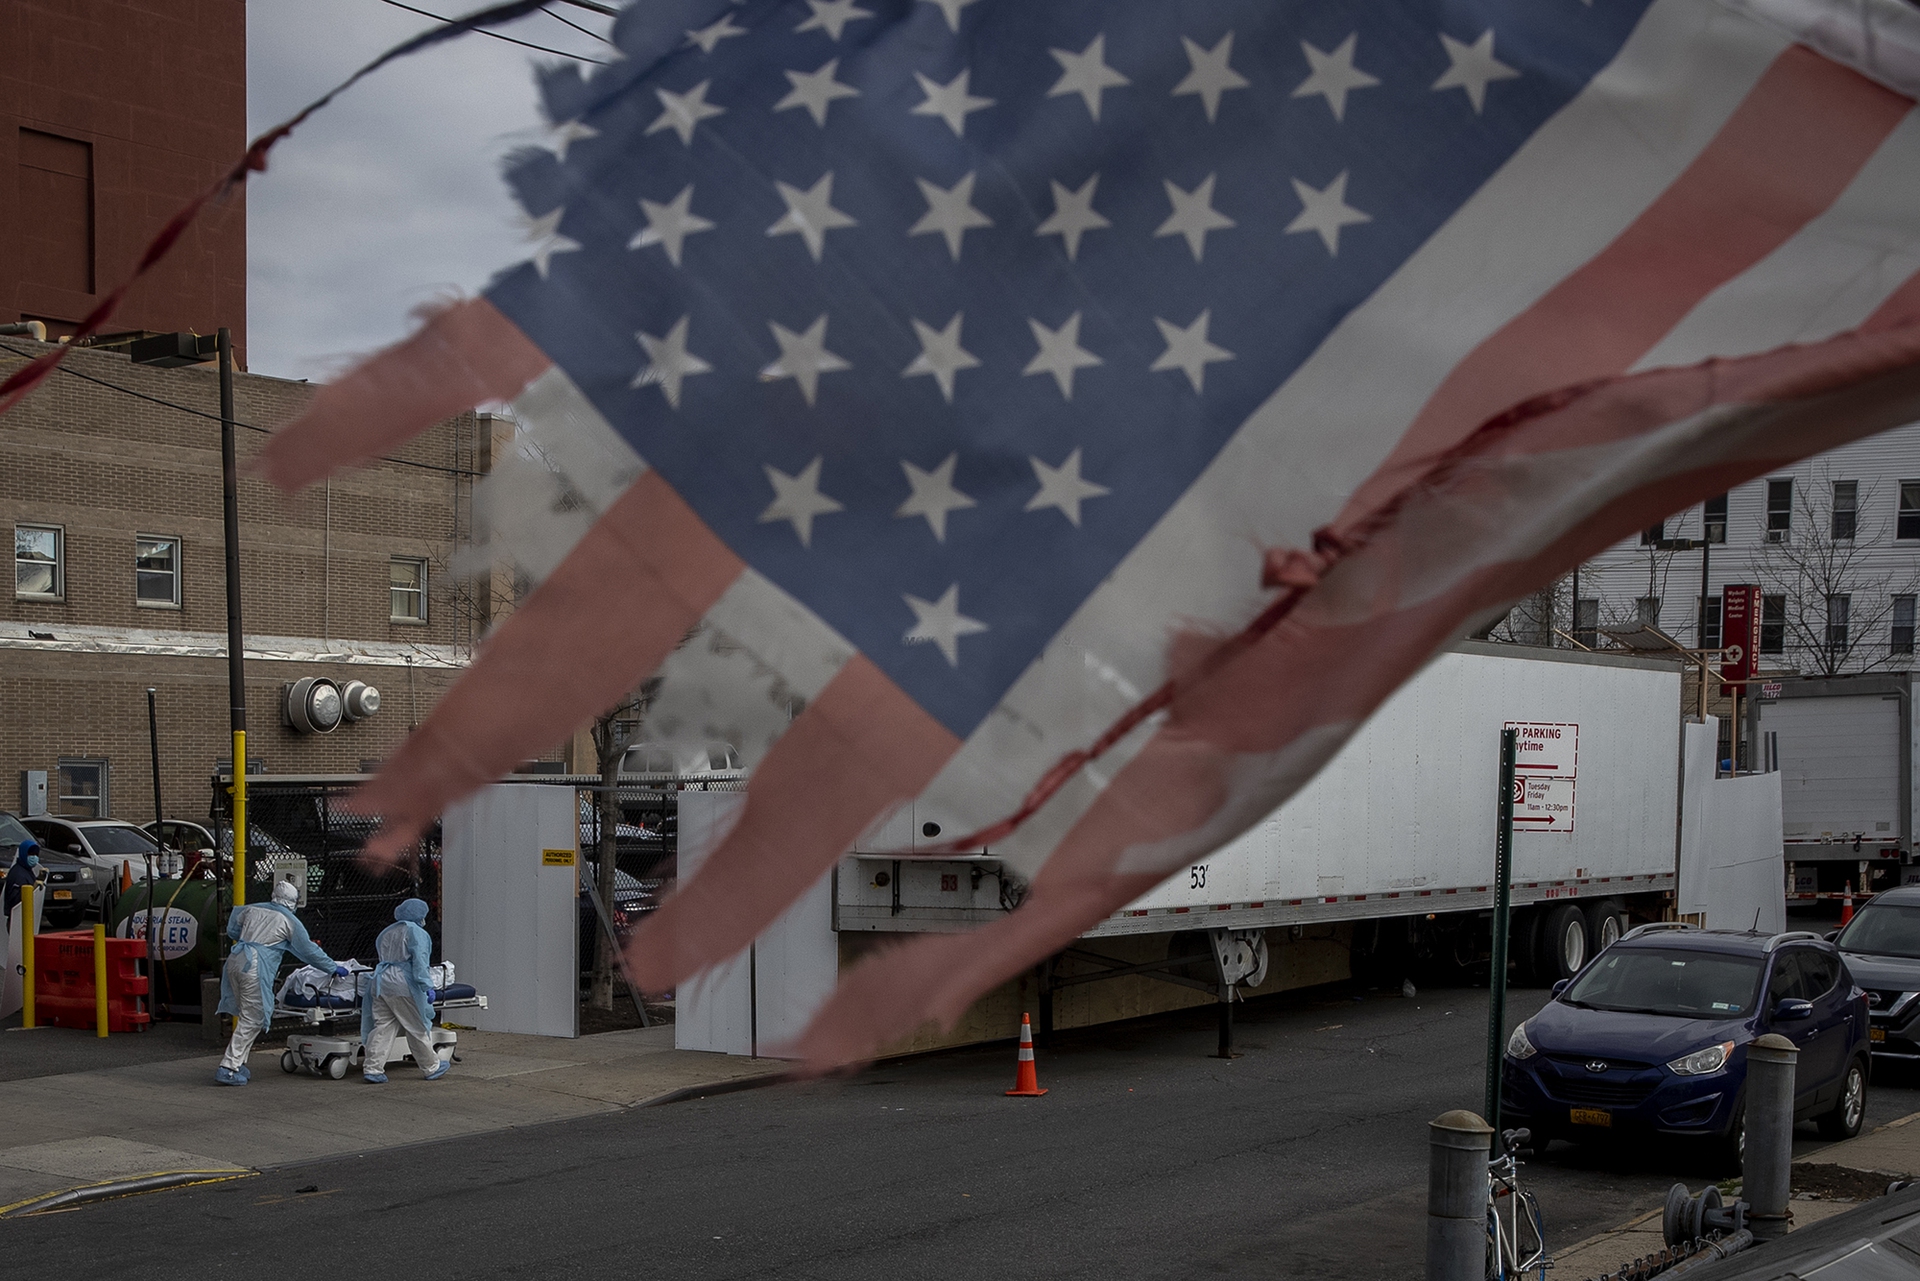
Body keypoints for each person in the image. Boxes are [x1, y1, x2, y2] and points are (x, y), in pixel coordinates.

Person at [216, 879, 347, 1086]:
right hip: (254, 965)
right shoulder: (289, 921)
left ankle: (238, 1063)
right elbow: (309, 951)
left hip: (236, 960)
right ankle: (229, 1067)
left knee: (247, 1015)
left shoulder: (251, 909)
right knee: (253, 1018)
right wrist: (332, 967)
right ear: (293, 901)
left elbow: (233, 930)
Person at [361, 898, 448, 1083]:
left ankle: (373, 1069)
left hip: (381, 983)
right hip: (403, 984)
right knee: (416, 1026)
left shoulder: (387, 932)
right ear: (421, 915)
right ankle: (431, 1066)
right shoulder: (417, 932)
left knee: (382, 1027)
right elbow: (420, 962)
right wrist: (427, 986)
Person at [4, 839, 41, 919]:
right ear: (24, 854)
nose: (34, 857)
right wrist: (33, 888)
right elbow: (15, 900)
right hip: (17, 919)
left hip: (25, 918)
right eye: (31, 854)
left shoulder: (27, 870)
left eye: (36, 854)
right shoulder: (18, 874)